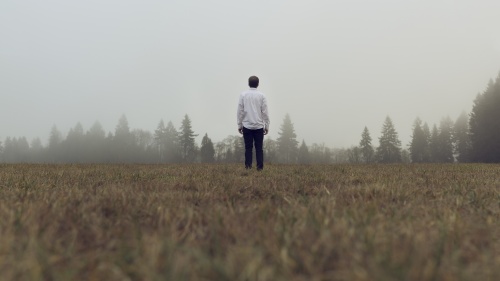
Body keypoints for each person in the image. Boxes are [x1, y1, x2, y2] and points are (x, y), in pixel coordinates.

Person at [237, 76, 270, 170]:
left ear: (248, 83)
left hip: (247, 125)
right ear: (258, 84)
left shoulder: (243, 95)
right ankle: (260, 168)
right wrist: (267, 125)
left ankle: (248, 167)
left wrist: (239, 124)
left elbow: (240, 111)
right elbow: (265, 112)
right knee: (259, 148)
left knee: (248, 148)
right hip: (259, 126)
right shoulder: (262, 96)